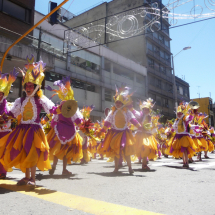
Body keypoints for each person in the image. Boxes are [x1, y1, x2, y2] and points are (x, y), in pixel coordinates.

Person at [0, 55, 56, 186]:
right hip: (22, 129)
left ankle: (32, 178)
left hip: (35, 130)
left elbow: (51, 108)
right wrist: (4, 116)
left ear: (36, 87)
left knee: (32, 153)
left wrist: (57, 110)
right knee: (24, 152)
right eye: (27, 85)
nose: (29, 88)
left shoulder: (40, 99)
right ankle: (26, 177)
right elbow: (12, 113)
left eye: (31, 86)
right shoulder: (20, 100)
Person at [98, 86, 141, 174]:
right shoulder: (112, 111)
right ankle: (116, 168)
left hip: (125, 133)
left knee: (127, 151)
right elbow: (108, 122)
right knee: (116, 151)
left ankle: (130, 168)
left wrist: (139, 126)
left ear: (122, 103)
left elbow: (133, 119)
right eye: (116, 102)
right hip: (115, 133)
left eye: (119, 102)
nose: (117, 104)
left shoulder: (127, 111)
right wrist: (102, 130)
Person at [46, 76, 83, 175]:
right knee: (66, 151)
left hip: (59, 130)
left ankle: (54, 166)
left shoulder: (59, 108)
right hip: (69, 130)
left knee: (56, 149)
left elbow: (55, 119)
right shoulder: (72, 109)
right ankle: (64, 170)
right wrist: (83, 125)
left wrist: (52, 127)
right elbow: (77, 119)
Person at [166, 102, 197, 168]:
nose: (179, 115)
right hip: (178, 136)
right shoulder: (176, 121)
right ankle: (184, 162)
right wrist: (170, 132)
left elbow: (190, 118)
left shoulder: (185, 119)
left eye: (180, 114)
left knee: (185, 149)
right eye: (178, 114)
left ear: (183, 114)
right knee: (182, 150)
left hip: (184, 136)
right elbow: (174, 128)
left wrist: (192, 111)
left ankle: (186, 162)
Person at [0, 69, 18, 179]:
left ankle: (2, 171)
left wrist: (4, 118)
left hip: (4, 132)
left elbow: (9, 115)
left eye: (1, 94)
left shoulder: (6, 105)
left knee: (3, 153)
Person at [132, 99, 158, 170]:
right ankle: (144, 165)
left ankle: (144, 164)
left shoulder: (150, 117)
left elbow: (152, 126)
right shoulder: (140, 115)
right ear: (143, 110)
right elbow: (135, 113)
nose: (145, 110)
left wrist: (154, 131)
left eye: (147, 109)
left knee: (146, 148)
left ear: (149, 110)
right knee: (142, 148)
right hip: (140, 135)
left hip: (148, 135)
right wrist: (131, 107)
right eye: (144, 109)